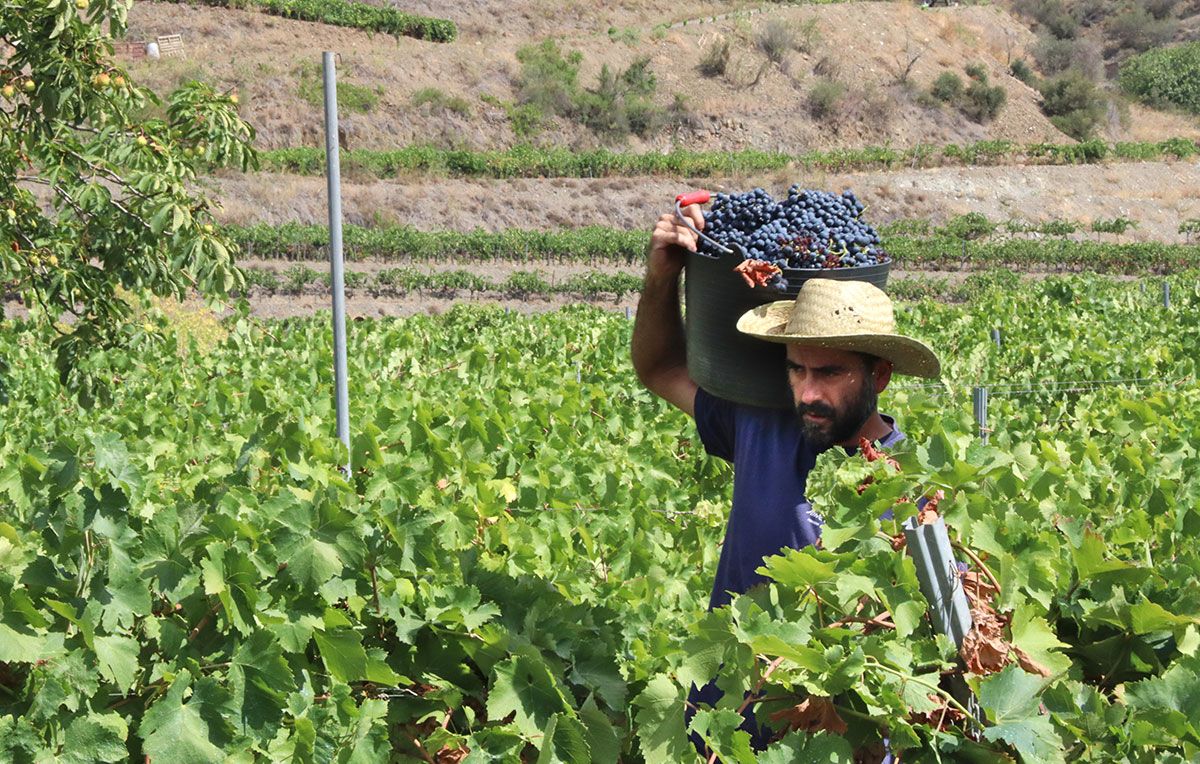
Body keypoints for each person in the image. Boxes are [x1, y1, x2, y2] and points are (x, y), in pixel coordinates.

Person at [630, 202, 941, 751]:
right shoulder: (761, 428)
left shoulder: (909, 488)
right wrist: (662, 276)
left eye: (830, 372)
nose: (809, 393)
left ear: (881, 375)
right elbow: (660, 370)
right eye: (797, 369)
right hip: (726, 736)